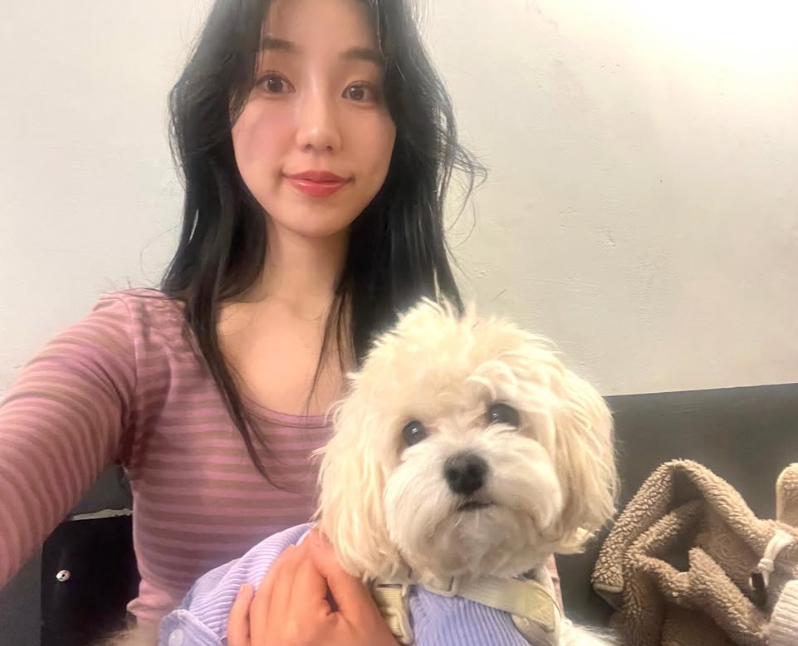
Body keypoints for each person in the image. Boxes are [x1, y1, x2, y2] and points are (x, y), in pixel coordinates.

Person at [0, 0, 559, 642]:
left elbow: (527, 599)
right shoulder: (136, 347)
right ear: (221, 108)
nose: (319, 129)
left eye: (361, 89)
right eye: (273, 80)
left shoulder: (465, 367)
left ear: (398, 124)